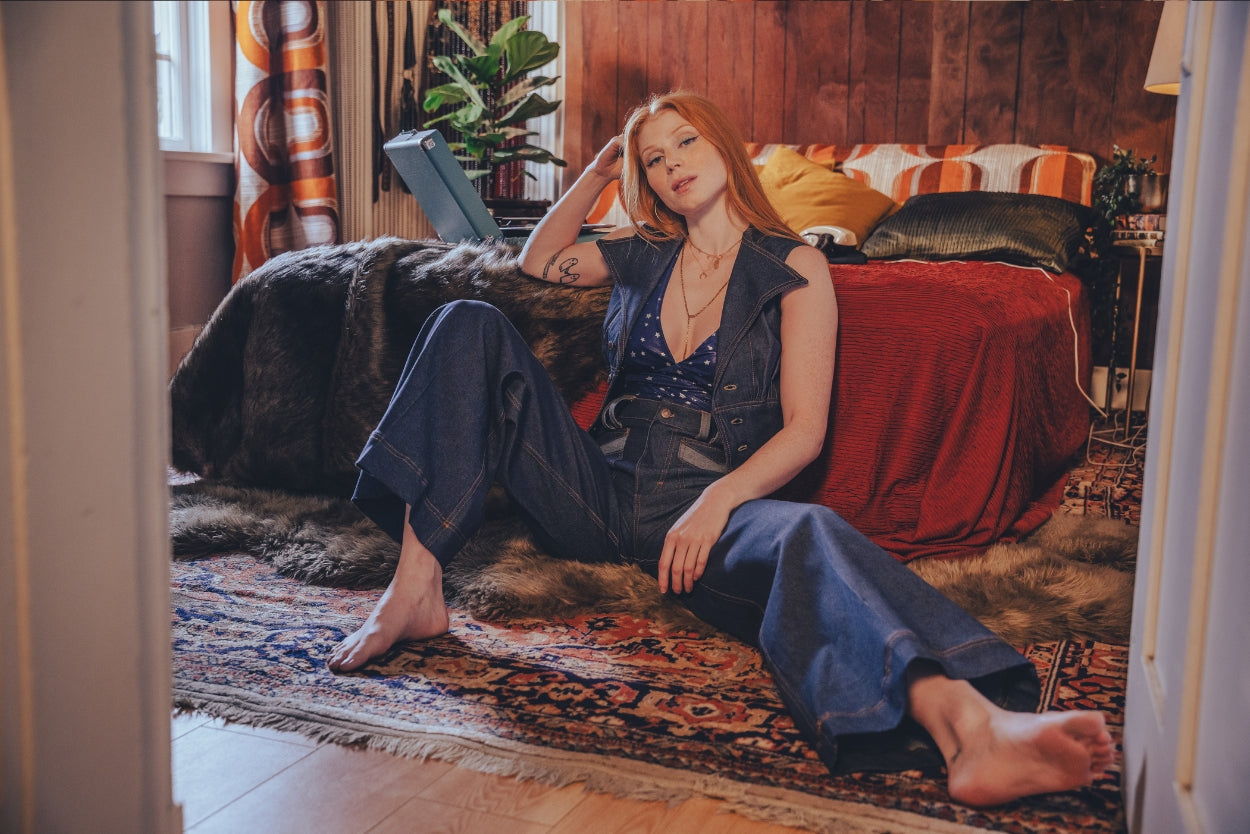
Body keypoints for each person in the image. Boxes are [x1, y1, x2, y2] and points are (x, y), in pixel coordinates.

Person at [328, 91, 1114, 807]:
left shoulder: (797, 266)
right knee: (466, 320)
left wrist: (717, 502)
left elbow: (806, 431)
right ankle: (416, 588)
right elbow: (536, 262)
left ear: (726, 147)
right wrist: (602, 169)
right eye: (653, 159)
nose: (670, 165)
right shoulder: (639, 250)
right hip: (595, 489)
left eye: (685, 143)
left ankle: (971, 729)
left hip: (704, 505)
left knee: (812, 535)